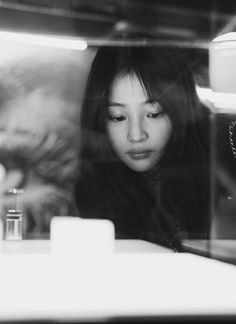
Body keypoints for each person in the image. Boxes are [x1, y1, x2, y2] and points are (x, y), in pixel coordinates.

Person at [74, 33, 211, 251]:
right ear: (99, 120)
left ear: (181, 111)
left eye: (154, 113)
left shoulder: (214, 187)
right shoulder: (91, 189)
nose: (136, 135)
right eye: (118, 117)